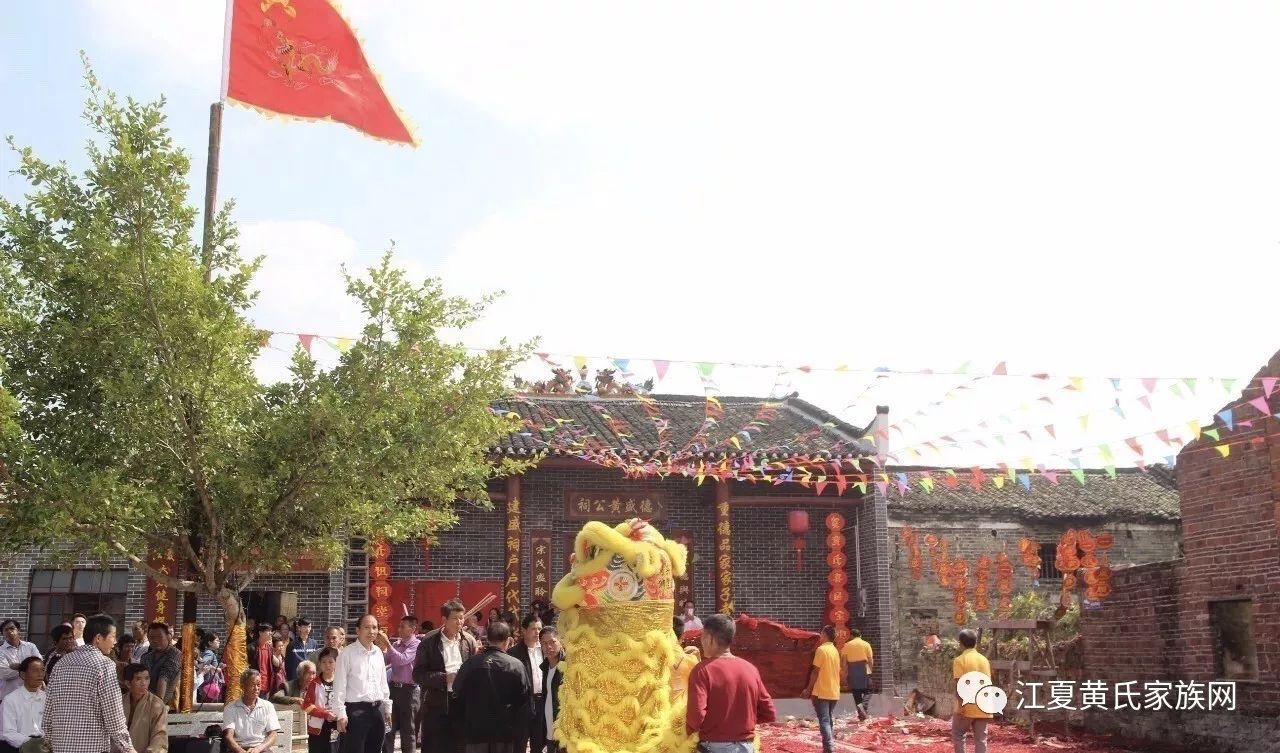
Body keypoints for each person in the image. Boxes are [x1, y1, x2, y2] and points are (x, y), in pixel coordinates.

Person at [42, 613, 137, 753]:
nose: (115, 641)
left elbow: (48, 709)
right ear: (98, 638)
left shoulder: (61, 664)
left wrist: (49, 741)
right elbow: (114, 716)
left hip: (61, 746)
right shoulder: (105, 665)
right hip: (92, 747)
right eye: (112, 636)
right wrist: (128, 748)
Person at [686, 614, 776, 753]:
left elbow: (696, 716)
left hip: (714, 746)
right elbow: (769, 712)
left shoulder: (702, 670)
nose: (701, 642)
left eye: (702, 637)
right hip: (746, 746)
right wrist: (741, 724)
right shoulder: (750, 669)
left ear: (710, 639)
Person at [451, 621, 531, 753]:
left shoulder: (470, 664)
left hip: (475, 732)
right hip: (505, 733)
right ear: (508, 641)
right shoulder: (515, 666)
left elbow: (457, 695)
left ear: (487, 639)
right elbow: (524, 702)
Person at [414, 600, 479, 753]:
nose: (460, 622)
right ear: (444, 620)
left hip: (462, 702)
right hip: (436, 704)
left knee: (460, 745)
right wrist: (445, 678)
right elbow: (417, 674)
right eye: (455, 618)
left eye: (462, 618)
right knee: (435, 745)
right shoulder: (429, 641)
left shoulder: (468, 641)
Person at [332, 615, 391, 753]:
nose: (372, 631)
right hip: (355, 711)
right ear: (358, 630)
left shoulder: (378, 653)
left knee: (375, 749)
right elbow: (339, 686)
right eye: (367, 627)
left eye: (375, 627)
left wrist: (387, 707)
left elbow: (383, 682)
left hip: (377, 709)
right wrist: (341, 714)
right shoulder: (347, 654)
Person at [377, 615, 420, 753]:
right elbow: (383, 661)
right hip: (393, 690)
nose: (399, 629)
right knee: (389, 727)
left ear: (412, 629)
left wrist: (388, 644)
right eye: (399, 626)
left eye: (403, 626)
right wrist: (379, 647)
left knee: (408, 731)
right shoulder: (396, 645)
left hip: (409, 691)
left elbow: (403, 659)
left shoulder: (416, 644)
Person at [506, 614, 545, 753]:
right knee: (520, 743)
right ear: (524, 630)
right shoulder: (513, 653)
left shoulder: (546, 650)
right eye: (533, 629)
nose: (537, 632)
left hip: (543, 702)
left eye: (540, 628)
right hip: (523, 703)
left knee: (539, 742)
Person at [952, 629, 993, 753]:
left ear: (961, 644)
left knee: (959, 734)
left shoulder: (960, 660)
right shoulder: (984, 660)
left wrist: (961, 706)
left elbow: (960, 685)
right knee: (981, 739)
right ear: (975, 643)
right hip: (983, 706)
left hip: (966, 706)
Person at [222, 670, 282, 753]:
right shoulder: (231, 708)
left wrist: (259, 748)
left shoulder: (268, 706)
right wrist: (240, 751)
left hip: (261, 749)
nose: (256, 688)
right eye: (253, 685)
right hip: (238, 749)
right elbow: (228, 736)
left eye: (258, 685)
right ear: (243, 686)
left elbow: (273, 734)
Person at [802, 626, 841, 753]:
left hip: (822, 690)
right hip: (834, 691)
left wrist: (808, 689)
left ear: (824, 635)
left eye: (821, 634)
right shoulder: (835, 650)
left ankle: (828, 748)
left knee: (824, 720)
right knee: (828, 719)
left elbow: (815, 672)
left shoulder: (821, 650)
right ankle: (830, 746)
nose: (820, 636)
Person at [0, 657, 45, 753]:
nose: (40, 674)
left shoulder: (47, 698)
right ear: (23, 675)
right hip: (19, 748)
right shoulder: (10, 700)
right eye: (35, 670)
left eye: (42, 670)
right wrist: (30, 743)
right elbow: (8, 732)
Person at [122, 665, 167, 753]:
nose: (144, 683)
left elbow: (159, 735)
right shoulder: (120, 701)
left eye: (147, 678)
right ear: (128, 683)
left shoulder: (156, 704)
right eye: (138, 679)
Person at [303, 648, 339, 753]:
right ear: (319, 663)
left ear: (336, 663)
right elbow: (306, 706)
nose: (327, 665)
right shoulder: (314, 683)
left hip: (337, 725)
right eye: (323, 662)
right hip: (317, 728)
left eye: (330, 662)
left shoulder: (341, 682)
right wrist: (324, 714)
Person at [537, 628, 564, 753]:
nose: (549, 647)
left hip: (564, 733)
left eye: (552, 642)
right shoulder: (545, 667)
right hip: (548, 730)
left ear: (560, 641)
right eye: (544, 643)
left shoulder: (568, 666)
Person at [0, 620, 41, 703]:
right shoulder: (1, 651)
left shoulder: (30, 646)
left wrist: (18, 667)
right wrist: (29, 668)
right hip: (8, 696)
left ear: (18, 630)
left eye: (12, 628)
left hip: (31, 695)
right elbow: (4, 673)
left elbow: (39, 666)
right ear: (2, 634)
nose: (9, 631)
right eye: (6, 630)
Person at [140, 623, 180, 706]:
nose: (155, 640)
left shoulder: (175, 654)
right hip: (144, 702)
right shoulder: (146, 657)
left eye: (159, 637)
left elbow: (164, 678)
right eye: (152, 638)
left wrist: (157, 706)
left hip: (165, 705)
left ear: (168, 637)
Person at [841, 628, 874, 722]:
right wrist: (870, 670)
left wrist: (844, 673)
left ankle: (861, 715)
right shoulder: (866, 644)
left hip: (852, 669)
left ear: (851, 636)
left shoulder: (847, 645)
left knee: (856, 692)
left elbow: (844, 661)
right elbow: (870, 660)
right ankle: (863, 706)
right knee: (869, 690)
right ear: (860, 635)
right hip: (864, 667)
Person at [250, 624, 283, 699]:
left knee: (264, 707)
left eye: (271, 631)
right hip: (255, 684)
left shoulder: (269, 648)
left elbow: (277, 664)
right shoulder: (252, 648)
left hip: (267, 684)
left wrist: (276, 654)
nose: (270, 633)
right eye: (268, 631)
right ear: (260, 633)